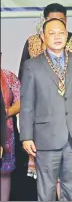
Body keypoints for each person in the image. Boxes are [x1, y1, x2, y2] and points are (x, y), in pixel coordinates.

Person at [19, 18, 72, 201]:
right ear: (43, 37)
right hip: (45, 136)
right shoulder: (32, 65)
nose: (57, 37)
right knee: (46, 190)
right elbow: (27, 104)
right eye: (52, 33)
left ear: (67, 35)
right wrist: (26, 136)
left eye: (61, 33)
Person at [18, 3, 72, 82]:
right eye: (52, 20)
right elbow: (23, 76)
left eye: (61, 20)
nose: (56, 24)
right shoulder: (32, 41)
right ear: (45, 20)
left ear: (66, 20)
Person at [0, 52, 22, 201]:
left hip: (5, 130)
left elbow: (21, 100)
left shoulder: (9, 77)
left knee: (4, 172)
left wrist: (7, 112)